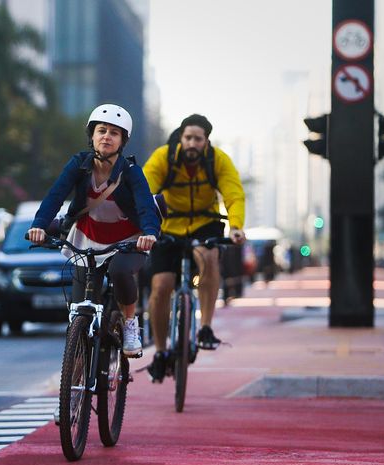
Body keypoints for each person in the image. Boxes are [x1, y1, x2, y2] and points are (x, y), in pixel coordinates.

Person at [28, 104, 162, 357]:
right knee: (79, 307)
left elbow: (145, 204)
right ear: (92, 136)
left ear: (122, 141)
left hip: (127, 241)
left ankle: (131, 325)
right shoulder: (79, 165)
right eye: (102, 130)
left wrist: (149, 233)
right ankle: (78, 363)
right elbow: (55, 195)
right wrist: (39, 225)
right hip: (87, 238)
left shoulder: (131, 172)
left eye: (114, 132)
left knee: (120, 271)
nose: (107, 136)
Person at [142, 114, 246, 382]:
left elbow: (233, 194)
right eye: (187, 137)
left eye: (197, 139)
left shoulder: (218, 160)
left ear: (206, 142)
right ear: (181, 137)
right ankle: (162, 351)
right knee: (161, 286)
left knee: (209, 257)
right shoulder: (163, 158)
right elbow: (143, 191)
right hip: (168, 226)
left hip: (206, 223)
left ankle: (206, 328)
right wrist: (142, 226)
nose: (191, 143)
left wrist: (235, 226)